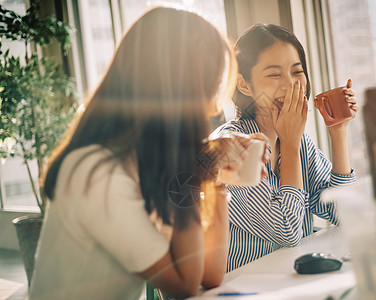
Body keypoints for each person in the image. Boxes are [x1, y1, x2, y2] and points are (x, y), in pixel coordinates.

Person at [29, 7, 262, 299]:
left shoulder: (147, 164)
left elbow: (210, 274)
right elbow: (185, 285)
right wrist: (191, 171)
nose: (213, 109)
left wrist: (215, 179)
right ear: (176, 94)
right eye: (208, 91)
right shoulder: (96, 173)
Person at [211, 23, 357, 271]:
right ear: (244, 85)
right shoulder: (230, 146)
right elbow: (286, 230)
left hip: (285, 278)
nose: (291, 85)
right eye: (274, 74)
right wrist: (290, 143)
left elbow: (348, 214)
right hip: (240, 287)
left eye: (297, 72)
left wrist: (338, 132)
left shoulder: (297, 143)